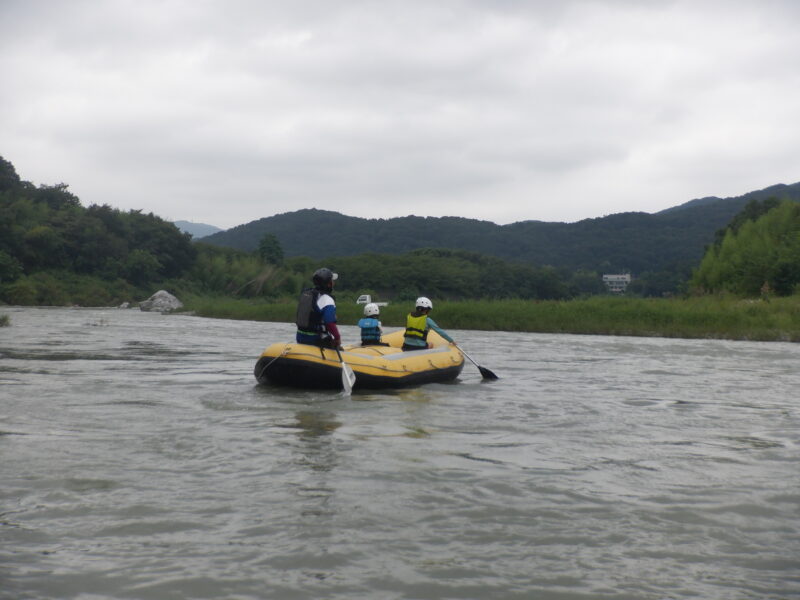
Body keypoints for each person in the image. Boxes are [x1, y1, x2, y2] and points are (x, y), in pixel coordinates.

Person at [295, 268, 342, 349]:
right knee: (339, 349)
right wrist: (337, 338)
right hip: (316, 340)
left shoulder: (308, 295)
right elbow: (329, 323)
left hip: (300, 337)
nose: (333, 282)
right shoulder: (327, 299)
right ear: (329, 284)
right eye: (332, 280)